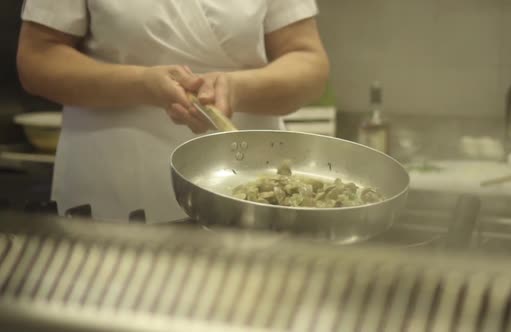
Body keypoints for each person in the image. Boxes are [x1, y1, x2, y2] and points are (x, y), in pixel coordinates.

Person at [17, 0, 330, 222]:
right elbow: (37, 59)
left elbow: (308, 62)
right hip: (114, 182)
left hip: (249, 192)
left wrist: (235, 88)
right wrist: (141, 84)